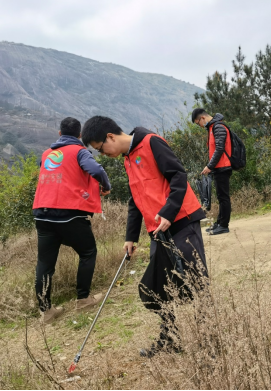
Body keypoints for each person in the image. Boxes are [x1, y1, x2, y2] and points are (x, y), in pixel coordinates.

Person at [81, 116, 208, 358]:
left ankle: (209, 339)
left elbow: (178, 175)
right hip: (157, 231)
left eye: (101, 148)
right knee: (154, 288)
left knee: (197, 281)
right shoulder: (128, 158)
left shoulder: (151, 143)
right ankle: (170, 337)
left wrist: (169, 212)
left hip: (181, 222)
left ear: (110, 137)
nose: (103, 154)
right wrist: (131, 237)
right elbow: (135, 200)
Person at [32, 117, 111, 324]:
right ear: (79, 136)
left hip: (43, 214)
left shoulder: (47, 153)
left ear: (59, 134)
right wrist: (106, 186)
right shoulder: (79, 151)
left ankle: (46, 312)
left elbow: (46, 170)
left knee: (44, 264)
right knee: (88, 252)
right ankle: (83, 299)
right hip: (69, 214)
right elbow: (96, 170)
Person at [192, 108, 232, 235]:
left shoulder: (218, 127)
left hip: (223, 167)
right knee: (221, 197)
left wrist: (209, 166)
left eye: (198, 123)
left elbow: (220, 148)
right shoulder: (212, 127)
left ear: (202, 118)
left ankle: (224, 225)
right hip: (218, 167)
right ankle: (219, 223)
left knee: (224, 197)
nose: (199, 125)